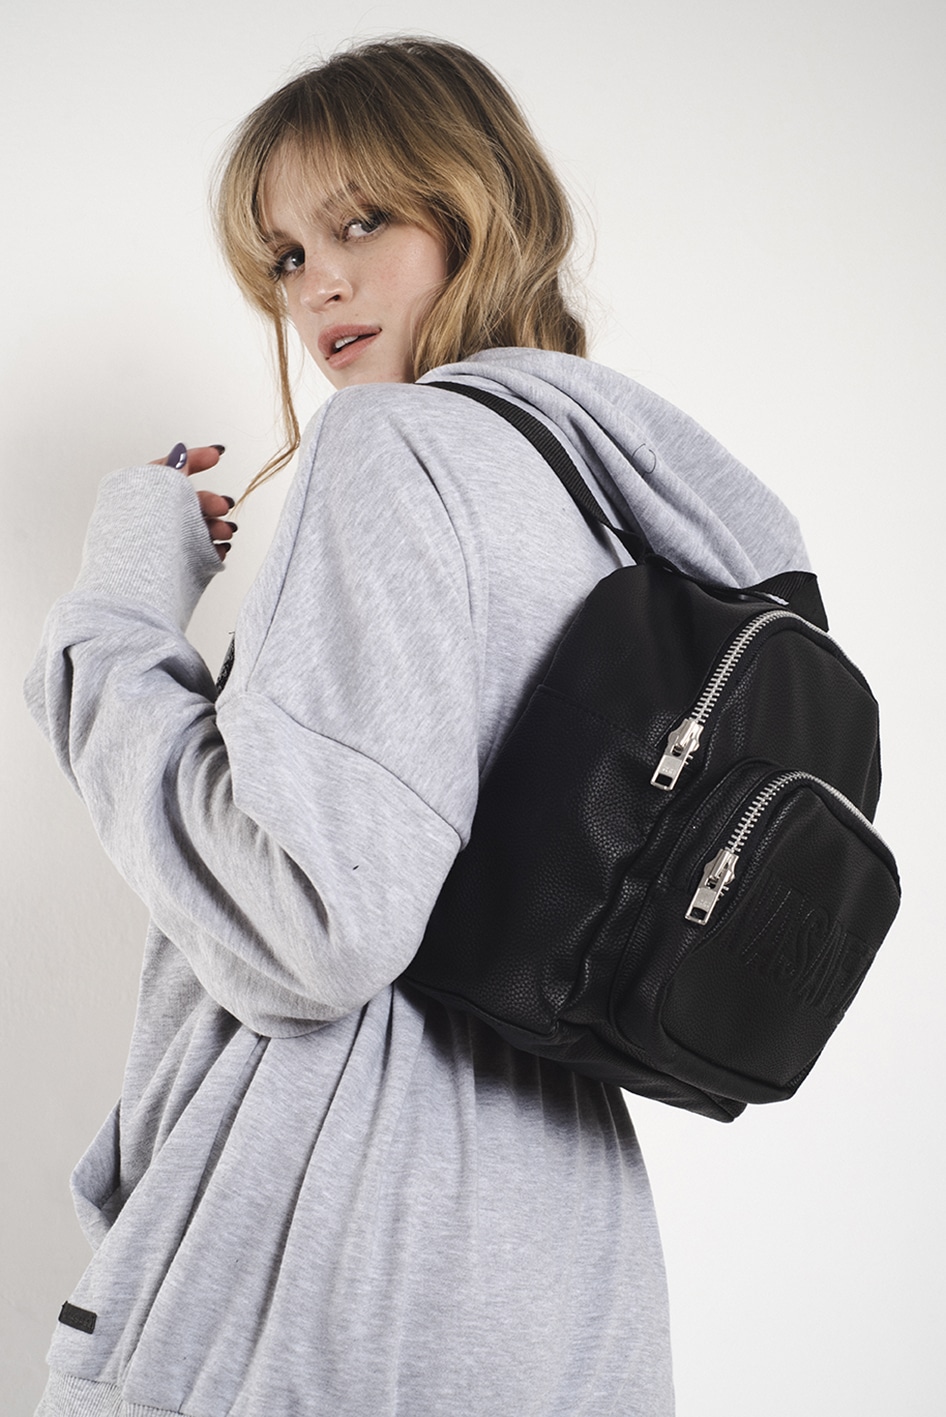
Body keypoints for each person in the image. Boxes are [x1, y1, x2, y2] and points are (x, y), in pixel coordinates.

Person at [26, 36, 810, 1417]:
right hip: (562, 1255)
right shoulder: (622, 513)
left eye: (362, 222)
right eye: (285, 255)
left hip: (338, 1255)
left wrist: (120, 623)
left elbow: (317, 927)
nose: (316, 285)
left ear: (476, 210)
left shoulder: (392, 448)